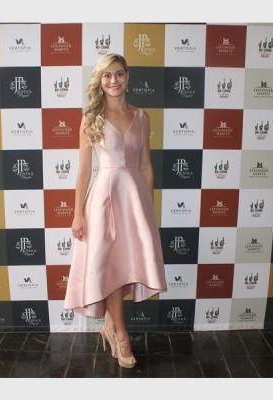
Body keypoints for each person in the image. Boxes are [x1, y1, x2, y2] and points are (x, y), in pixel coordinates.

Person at [63, 53, 167, 369]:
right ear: (100, 80)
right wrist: (77, 213)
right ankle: (121, 336)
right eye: (107, 75)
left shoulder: (142, 117)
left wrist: (148, 206)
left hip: (135, 200)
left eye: (119, 74)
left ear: (127, 76)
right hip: (103, 200)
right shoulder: (91, 117)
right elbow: (83, 170)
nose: (113, 80)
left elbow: (146, 166)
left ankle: (109, 325)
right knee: (109, 265)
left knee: (124, 266)